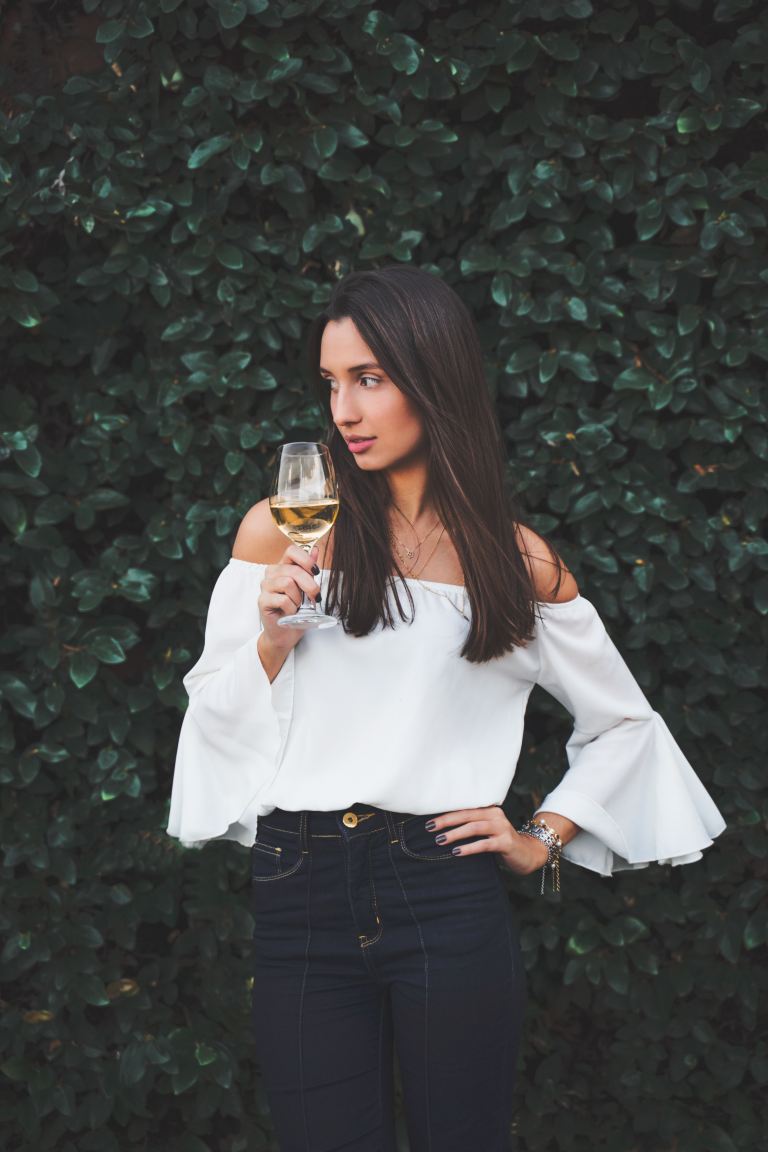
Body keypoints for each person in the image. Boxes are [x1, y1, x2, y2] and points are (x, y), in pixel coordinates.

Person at [166, 265, 727, 1152]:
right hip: (300, 885)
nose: (344, 411)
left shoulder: (518, 563)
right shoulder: (283, 530)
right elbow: (212, 719)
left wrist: (539, 836)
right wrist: (271, 638)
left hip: (441, 889)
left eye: (370, 379)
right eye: (332, 383)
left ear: (435, 378)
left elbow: (625, 724)